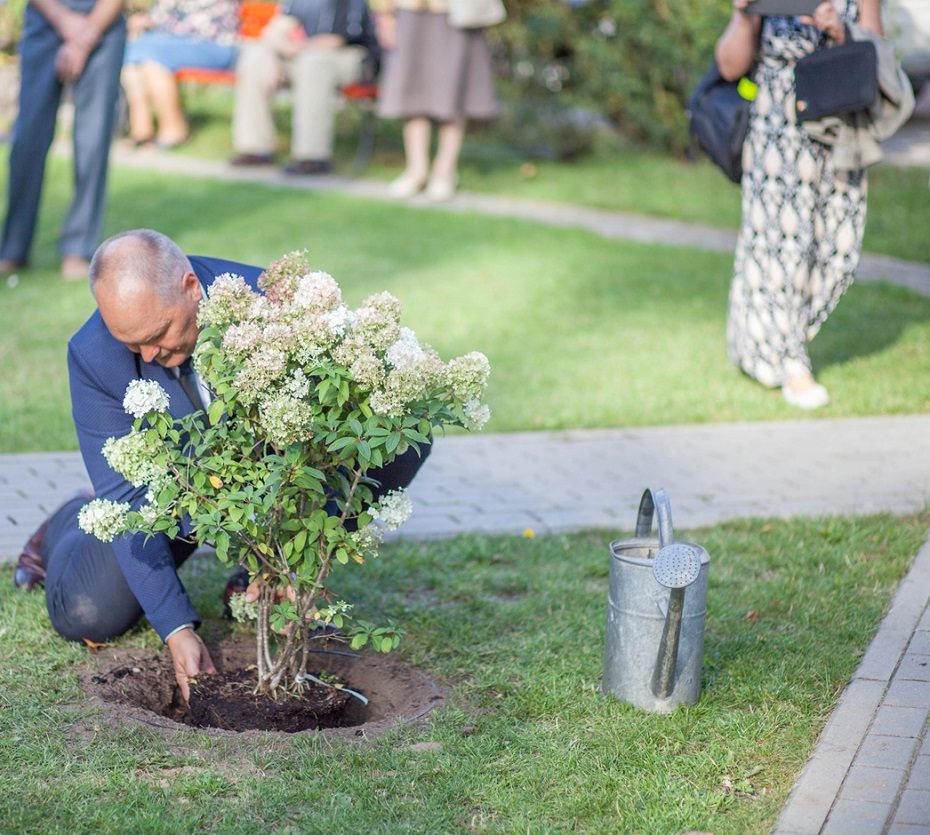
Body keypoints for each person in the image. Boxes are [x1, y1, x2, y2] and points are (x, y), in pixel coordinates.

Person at [12, 228, 430, 700]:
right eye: (132, 345)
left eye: (157, 335)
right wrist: (175, 628)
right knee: (88, 615)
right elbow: (125, 497)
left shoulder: (281, 310)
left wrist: (303, 552)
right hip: (170, 495)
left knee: (400, 442)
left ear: (192, 288)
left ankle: (255, 577)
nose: (148, 356)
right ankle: (67, 521)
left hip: (271, 493)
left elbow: (394, 436)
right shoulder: (92, 356)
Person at [716, 0, 882, 409]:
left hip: (840, 121)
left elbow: (877, 52)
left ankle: (763, 340)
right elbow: (730, 67)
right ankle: (791, 363)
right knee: (781, 250)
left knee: (840, 247)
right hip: (778, 129)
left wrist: (841, 30)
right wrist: (741, 13)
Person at [0, 0, 126, 281]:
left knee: (93, 143)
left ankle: (78, 248)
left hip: (103, 23)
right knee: (27, 141)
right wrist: (65, 21)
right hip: (46, 18)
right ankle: (12, 246)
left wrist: (84, 36)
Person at [230, 0, 378, 175]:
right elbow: (277, 29)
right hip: (305, 54)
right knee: (255, 57)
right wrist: (273, 56)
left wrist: (294, 50)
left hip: (347, 57)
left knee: (313, 64)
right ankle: (255, 149)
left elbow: (333, 41)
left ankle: (312, 157)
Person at [374, 0, 498, 202]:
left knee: (453, 92)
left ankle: (445, 172)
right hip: (409, 10)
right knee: (412, 90)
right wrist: (384, 14)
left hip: (455, 13)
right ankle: (416, 171)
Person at [120, 0, 239, 148]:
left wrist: (153, 21)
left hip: (214, 43)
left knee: (150, 55)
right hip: (173, 44)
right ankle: (141, 130)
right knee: (133, 55)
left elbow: (194, 22)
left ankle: (174, 130)